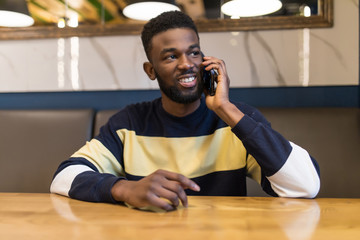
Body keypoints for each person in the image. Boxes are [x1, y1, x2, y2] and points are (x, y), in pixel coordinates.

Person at [50, 11, 320, 211]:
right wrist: (126, 189)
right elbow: (63, 178)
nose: (186, 64)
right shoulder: (129, 123)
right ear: (151, 71)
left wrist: (225, 108)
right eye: (171, 56)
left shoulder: (237, 121)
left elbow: (305, 185)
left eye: (194, 53)